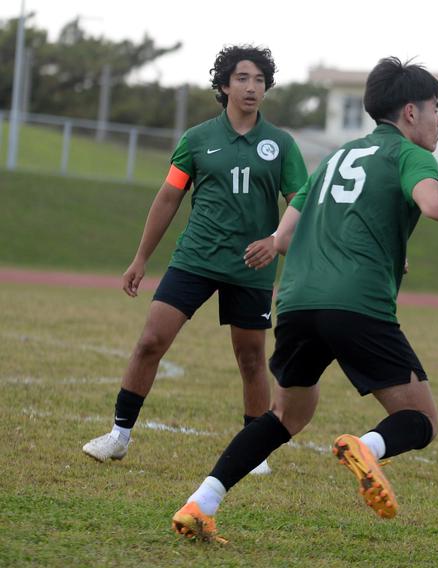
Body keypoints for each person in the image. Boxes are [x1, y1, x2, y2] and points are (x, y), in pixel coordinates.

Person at [170, 56, 438, 542]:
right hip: (356, 305)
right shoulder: (409, 155)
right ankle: (367, 446)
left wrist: (381, 248)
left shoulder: (335, 157)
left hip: (296, 301)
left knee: (287, 415)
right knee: (421, 421)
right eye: (436, 109)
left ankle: (201, 503)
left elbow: (284, 235)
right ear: (410, 112)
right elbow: (436, 204)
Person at [82, 45, 308, 477]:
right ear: (224, 85)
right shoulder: (197, 139)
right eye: (242, 78)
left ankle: (253, 453)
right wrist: (140, 258)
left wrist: (276, 239)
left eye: (260, 80)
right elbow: (168, 197)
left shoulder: (281, 145)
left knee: (251, 358)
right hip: (195, 258)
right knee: (151, 340)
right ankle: (119, 436)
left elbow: (301, 201)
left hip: (251, 266)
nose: (252, 87)